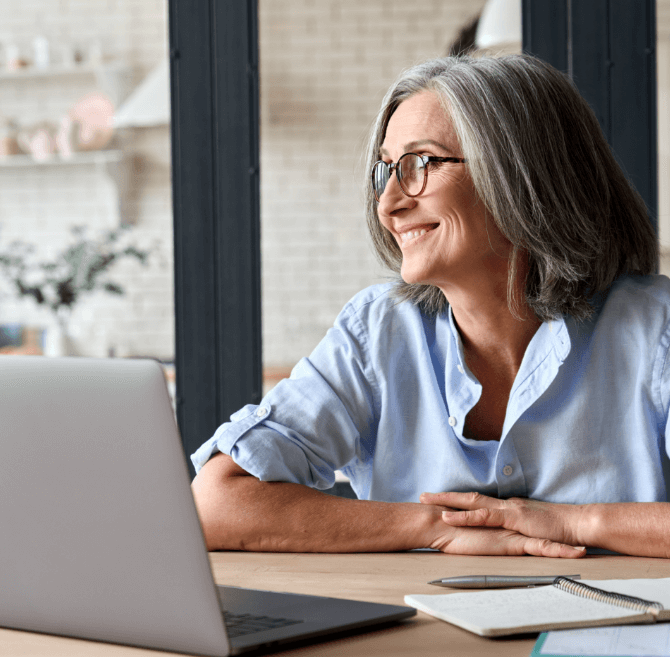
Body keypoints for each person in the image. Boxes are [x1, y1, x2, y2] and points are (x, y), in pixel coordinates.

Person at [191, 54, 670, 559]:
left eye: (421, 163)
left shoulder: (656, 328)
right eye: (386, 170)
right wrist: (435, 528)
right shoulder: (378, 331)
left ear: (522, 173)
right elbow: (216, 501)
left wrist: (573, 522)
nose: (388, 202)